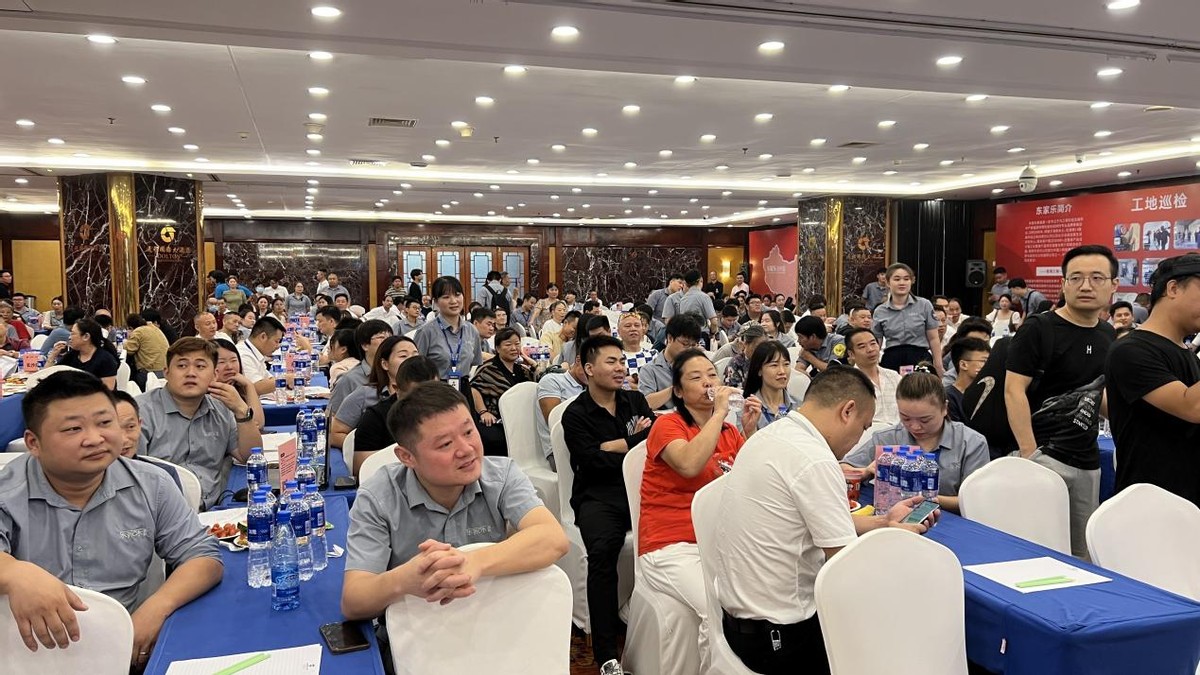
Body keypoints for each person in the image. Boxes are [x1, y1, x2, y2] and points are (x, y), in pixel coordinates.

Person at [714, 367, 932, 675]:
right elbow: (845, 567)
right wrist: (896, 548)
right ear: (847, 411)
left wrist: (884, 523)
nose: (856, 441)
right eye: (863, 427)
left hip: (742, 624)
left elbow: (817, 524)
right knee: (898, 628)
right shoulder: (814, 458)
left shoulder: (771, 436)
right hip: (781, 636)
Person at [0, 371, 222, 669]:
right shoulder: (8, 492)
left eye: (105, 423)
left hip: (128, 648)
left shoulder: (152, 484)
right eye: (73, 428)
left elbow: (202, 555)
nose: (95, 439)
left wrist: (156, 608)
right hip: (26, 658)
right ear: (33, 442)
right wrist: (15, 572)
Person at [340, 381, 568, 629]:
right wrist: (404, 579)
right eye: (446, 444)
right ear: (407, 457)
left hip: (492, 621)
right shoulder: (379, 496)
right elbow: (354, 601)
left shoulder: (501, 476)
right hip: (414, 631)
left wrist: (473, 562)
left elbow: (552, 538)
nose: (466, 450)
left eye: (468, 432)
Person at [639, 349, 759, 671]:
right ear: (678, 392)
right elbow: (690, 464)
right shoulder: (667, 425)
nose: (708, 382)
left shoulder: (730, 433)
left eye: (711, 375)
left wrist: (748, 432)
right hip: (670, 544)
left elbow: (752, 482)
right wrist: (720, 414)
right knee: (715, 607)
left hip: (718, 541)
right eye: (696, 377)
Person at [1006, 244, 1116, 559]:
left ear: (1113, 285)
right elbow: (1014, 390)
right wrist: (1030, 454)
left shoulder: (1108, 335)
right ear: (1063, 284)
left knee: (1082, 554)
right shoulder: (1039, 328)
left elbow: (1097, 393)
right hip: (1044, 455)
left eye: (1097, 278)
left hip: (1088, 460)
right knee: (1034, 549)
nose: (1086, 286)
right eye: (1076, 278)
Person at [561, 336, 654, 674]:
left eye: (621, 361)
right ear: (589, 369)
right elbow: (592, 463)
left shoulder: (635, 400)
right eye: (611, 362)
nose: (620, 368)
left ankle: (644, 619)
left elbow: (655, 442)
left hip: (642, 491)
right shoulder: (575, 414)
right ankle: (606, 655)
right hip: (599, 496)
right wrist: (634, 444)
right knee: (602, 552)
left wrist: (617, 444)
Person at [1106, 254, 1200, 507]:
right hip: (1151, 505)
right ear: (1173, 288)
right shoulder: (1131, 350)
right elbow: (1192, 407)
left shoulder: (1188, 354)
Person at [137, 338, 262, 507]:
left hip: (213, 509)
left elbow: (250, 456)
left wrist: (241, 410)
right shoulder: (141, 413)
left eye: (200, 366)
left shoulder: (221, 409)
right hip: (160, 511)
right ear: (166, 372)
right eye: (182, 365)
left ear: (214, 375)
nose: (191, 373)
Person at [843, 371, 990, 514]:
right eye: (905, 418)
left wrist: (925, 498)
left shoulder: (971, 443)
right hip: (893, 517)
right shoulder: (887, 438)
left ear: (944, 408)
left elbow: (975, 500)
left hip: (950, 520)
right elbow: (842, 469)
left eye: (925, 420)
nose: (915, 427)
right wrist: (865, 472)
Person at [353, 356, 442, 471]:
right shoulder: (375, 418)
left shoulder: (449, 413)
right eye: (415, 396)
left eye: (432, 394)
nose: (425, 402)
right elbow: (362, 467)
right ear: (396, 389)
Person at [331, 336, 419, 449]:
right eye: (403, 356)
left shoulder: (431, 394)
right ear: (385, 364)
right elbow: (335, 434)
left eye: (415, 355)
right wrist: (371, 448)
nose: (411, 361)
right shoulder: (364, 395)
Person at [872, 262, 943, 377]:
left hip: (920, 358)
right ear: (888, 282)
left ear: (912, 281)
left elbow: (934, 338)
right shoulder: (880, 311)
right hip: (892, 359)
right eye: (897, 279)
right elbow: (877, 342)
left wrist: (938, 364)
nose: (902, 283)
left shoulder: (924, 305)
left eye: (906, 279)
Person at [470, 328, 533, 456]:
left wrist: (533, 364)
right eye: (508, 344)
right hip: (496, 419)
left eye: (517, 344)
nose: (514, 348)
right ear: (498, 348)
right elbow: (474, 389)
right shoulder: (488, 368)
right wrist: (483, 412)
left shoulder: (523, 370)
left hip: (520, 421)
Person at [536, 331, 589, 467]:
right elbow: (556, 424)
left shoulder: (592, 386)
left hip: (588, 446)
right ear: (578, 360)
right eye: (589, 367)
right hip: (559, 452)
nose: (593, 373)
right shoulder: (552, 381)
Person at [112, 389, 182, 489]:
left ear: (139, 425)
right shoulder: (89, 481)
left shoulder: (162, 478)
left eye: (131, 427)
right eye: (114, 429)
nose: (124, 439)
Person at [328, 320, 395, 419]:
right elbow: (333, 419)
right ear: (365, 345)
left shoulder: (394, 374)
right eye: (381, 337)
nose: (388, 342)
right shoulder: (349, 380)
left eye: (390, 338)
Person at [638, 314, 705, 410]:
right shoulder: (650, 370)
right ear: (669, 338)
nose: (689, 350)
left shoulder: (699, 365)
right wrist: (677, 387)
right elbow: (646, 403)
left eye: (693, 345)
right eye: (685, 344)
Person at [845, 327, 901, 433]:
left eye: (873, 343)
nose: (870, 349)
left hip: (898, 433)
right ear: (851, 354)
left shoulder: (893, 376)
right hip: (866, 435)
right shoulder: (848, 382)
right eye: (862, 347)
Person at [741, 341, 800, 433]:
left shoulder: (799, 406)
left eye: (786, 364)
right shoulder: (747, 408)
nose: (782, 371)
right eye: (774, 365)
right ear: (759, 370)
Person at [46, 318, 119, 389]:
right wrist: (52, 356)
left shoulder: (106, 359)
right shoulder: (72, 355)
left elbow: (107, 391)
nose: (69, 337)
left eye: (73, 334)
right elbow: (48, 377)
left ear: (86, 336)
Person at [211, 337, 265, 432]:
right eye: (221, 362)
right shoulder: (208, 395)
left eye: (233, 360)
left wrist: (249, 385)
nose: (229, 367)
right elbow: (254, 425)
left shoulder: (239, 388)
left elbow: (258, 423)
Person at [236, 317, 286, 395]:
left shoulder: (255, 351)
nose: (277, 346)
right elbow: (255, 388)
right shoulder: (243, 355)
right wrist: (286, 380)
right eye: (276, 341)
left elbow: (268, 378)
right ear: (263, 337)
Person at [945, 337, 991, 422]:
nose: (989, 365)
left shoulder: (986, 394)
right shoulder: (948, 397)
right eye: (984, 361)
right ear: (963, 365)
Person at [663, 269, 719, 334]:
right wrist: (712, 332)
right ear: (700, 280)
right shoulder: (704, 297)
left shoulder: (683, 299)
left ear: (686, 283)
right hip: (701, 334)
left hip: (686, 335)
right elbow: (714, 322)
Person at [123, 310, 169, 376]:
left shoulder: (138, 332)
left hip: (151, 372)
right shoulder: (153, 328)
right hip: (164, 369)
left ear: (130, 327)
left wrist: (127, 339)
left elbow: (129, 350)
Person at [722, 324, 767, 390]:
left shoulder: (768, 361)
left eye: (765, 348)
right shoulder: (736, 364)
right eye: (758, 347)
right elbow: (733, 391)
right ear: (745, 344)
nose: (762, 351)